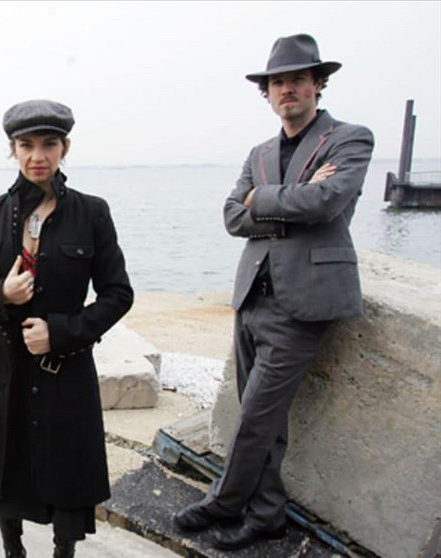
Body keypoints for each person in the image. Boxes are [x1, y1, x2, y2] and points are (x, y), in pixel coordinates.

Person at [173, 34, 374, 551]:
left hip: (304, 300)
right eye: (278, 82)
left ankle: (224, 500)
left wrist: (260, 198)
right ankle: (266, 514)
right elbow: (231, 216)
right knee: (265, 417)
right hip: (252, 296)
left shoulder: (350, 138)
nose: (287, 89)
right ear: (267, 92)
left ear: (317, 84)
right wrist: (288, 201)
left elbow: (327, 202)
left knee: (254, 417)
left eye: (297, 79)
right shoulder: (260, 152)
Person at [0, 100, 134, 558]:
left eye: (48, 144)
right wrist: (1, 294)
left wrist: (62, 331)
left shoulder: (92, 212)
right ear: (12, 149)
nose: (37, 156)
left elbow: (117, 294)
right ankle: (13, 551)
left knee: (65, 477)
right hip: (0, 367)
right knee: (3, 470)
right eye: (26, 145)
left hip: (62, 369)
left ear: (64, 147)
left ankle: (63, 553)